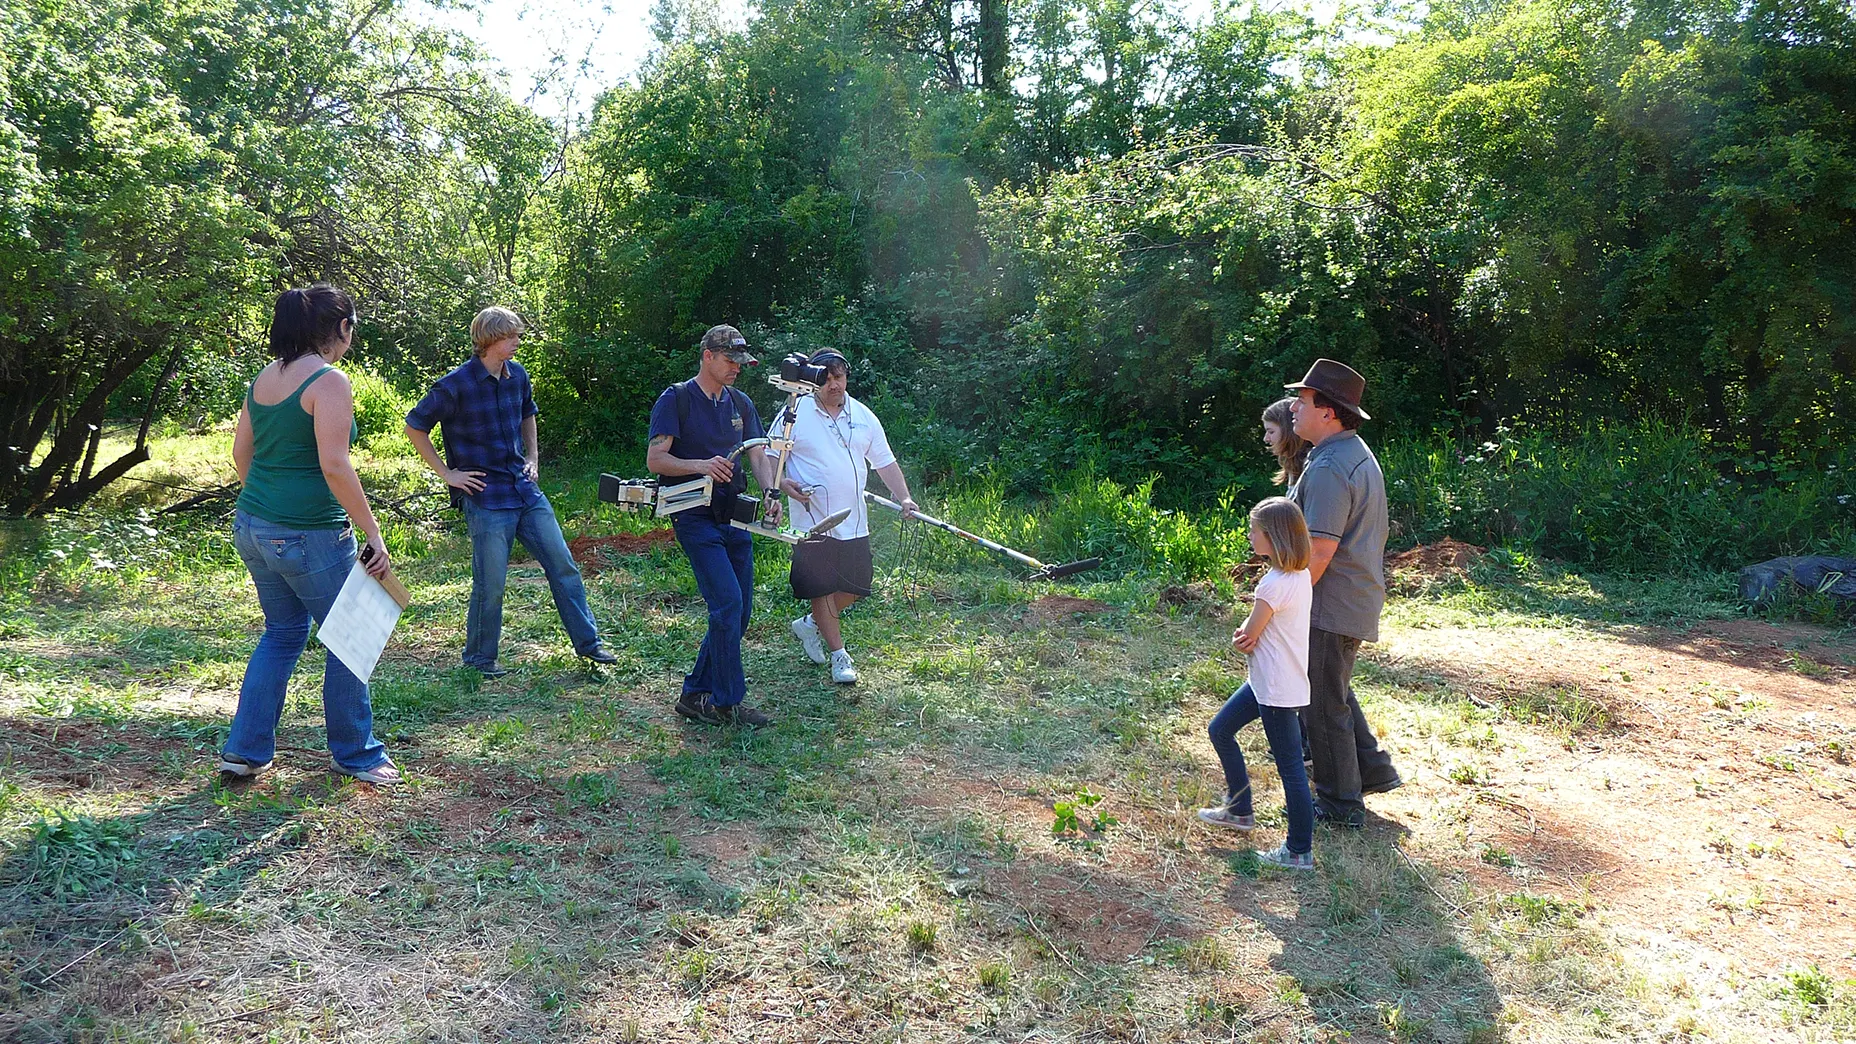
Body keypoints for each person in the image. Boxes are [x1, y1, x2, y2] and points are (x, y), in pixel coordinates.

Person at [220, 285, 400, 785]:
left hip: (252, 526)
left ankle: (244, 750)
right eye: (352, 329)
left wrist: (269, 505)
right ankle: (357, 754)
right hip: (310, 534)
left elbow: (241, 454)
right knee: (351, 638)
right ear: (341, 328)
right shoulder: (329, 381)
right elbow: (336, 466)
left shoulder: (264, 378)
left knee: (281, 633)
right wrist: (373, 533)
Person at [404, 306, 618, 678]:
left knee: (564, 565)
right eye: (511, 336)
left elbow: (527, 414)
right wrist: (447, 474)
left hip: (524, 490)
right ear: (489, 340)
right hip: (486, 496)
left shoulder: (517, 375)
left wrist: (533, 457)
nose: (518, 342)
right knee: (492, 584)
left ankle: (590, 644)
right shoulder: (455, 385)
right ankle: (480, 660)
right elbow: (414, 426)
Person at [646, 324, 785, 726]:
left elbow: (759, 455)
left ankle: (693, 694)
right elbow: (656, 460)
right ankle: (727, 702)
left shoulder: (740, 403)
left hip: (736, 516)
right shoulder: (676, 399)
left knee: (737, 613)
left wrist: (771, 494)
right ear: (707, 356)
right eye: (729, 361)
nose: (736, 369)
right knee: (726, 603)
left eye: (741, 363)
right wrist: (701, 466)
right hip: (693, 515)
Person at [1286, 359, 1402, 828]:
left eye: (1304, 400)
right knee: (1330, 687)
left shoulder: (1333, 465)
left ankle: (1339, 803)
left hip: (1329, 604)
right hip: (1346, 599)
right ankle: (1371, 769)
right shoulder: (1344, 452)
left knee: (1320, 703)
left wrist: (1284, 602)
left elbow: (1319, 550)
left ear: (1329, 412)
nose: (1294, 407)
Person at [772, 349, 917, 685]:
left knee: (857, 587)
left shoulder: (863, 416)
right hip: (813, 522)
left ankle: (810, 624)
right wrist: (781, 483)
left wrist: (905, 496)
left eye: (839, 376)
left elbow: (884, 462)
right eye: (826, 378)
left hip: (853, 520)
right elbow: (769, 455)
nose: (834, 384)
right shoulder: (795, 412)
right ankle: (840, 656)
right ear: (814, 380)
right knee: (821, 587)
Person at [1198, 497, 1315, 870]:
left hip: (1275, 690)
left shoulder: (1272, 584)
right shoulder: (1300, 577)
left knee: (1291, 769)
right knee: (1220, 729)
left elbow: (1249, 635)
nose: (1250, 536)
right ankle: (1239, 811)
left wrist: (1239, 638)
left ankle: (1298, 851)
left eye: (1255, 531)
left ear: (1274, 537)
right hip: (1271, 682)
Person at [1261, 397, 1310, 489]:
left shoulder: (1311, 465)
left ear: (1288, 431)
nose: (1266, 439)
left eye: (1271, 432)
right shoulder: (1293, 465)